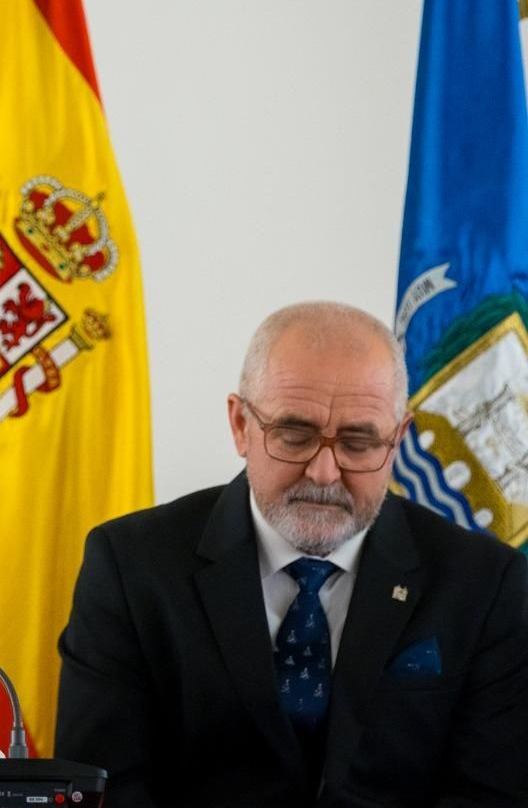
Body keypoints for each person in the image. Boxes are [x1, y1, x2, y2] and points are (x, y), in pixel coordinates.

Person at [55, 301, 528, 807]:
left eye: (358, 442)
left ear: (397, 442)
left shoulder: (486, 584)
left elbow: (491, 795)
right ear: (240, 425)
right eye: (295, 435)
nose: (324, 472)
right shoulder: (131, 566)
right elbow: (102, 790)